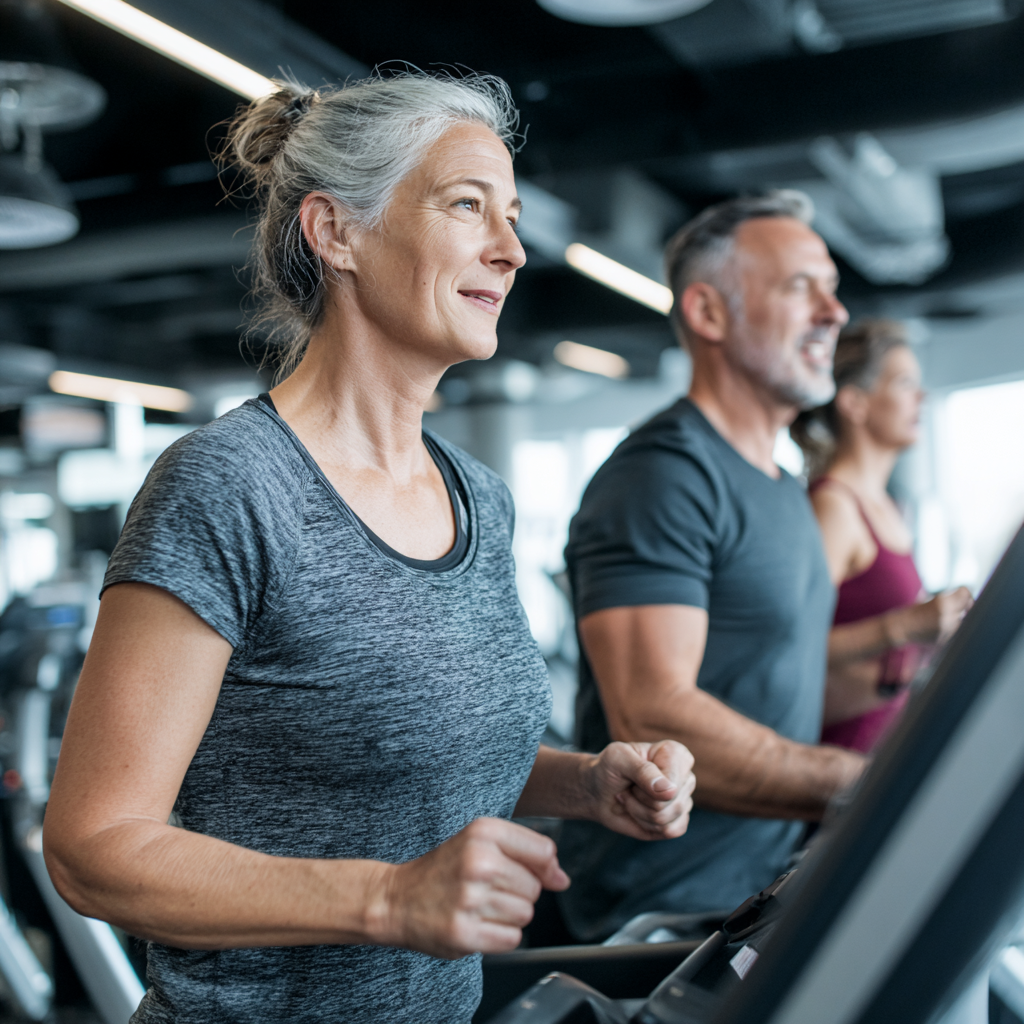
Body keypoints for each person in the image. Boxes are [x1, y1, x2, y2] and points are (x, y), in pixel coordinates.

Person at [41, 73, 696, 1024]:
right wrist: (389, 899)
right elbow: (92, 846)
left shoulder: (481, 498)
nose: (510, 250)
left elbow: (408, 749)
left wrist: (585, 783)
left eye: (510, 217)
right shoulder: (229, 487)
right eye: (468, 206)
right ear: (335, 231)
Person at [557, 191, 867, 942]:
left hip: (762, 893)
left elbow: (773, 669)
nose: (834, 312)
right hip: (662, 916)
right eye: (801, 286)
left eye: (831, 288)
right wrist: (867, 784)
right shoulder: (666, 474)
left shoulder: (784, 484)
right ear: (709, 314)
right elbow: (652, 712)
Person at [792, 319, 973, 753]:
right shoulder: (834, 506)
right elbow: (794, 648)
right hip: (837, 754)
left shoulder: (884, 506)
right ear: (855, 403)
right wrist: (906, 626)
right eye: (905, 383)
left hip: (881, 746)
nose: (921, 396)